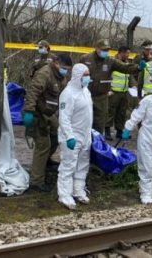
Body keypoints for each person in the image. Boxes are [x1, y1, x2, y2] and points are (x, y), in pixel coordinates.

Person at [23, 53, 73, 192]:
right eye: (64, 67)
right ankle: (36, 181)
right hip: (38, 114)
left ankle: (46, 161)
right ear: (56, 62)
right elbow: (33, 92)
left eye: (67, 69)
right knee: (43, 145)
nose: (65, 71)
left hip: (49, 113)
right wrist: (29, 111)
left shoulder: (60, 76)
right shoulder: (45, 73)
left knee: (57, 135)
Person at [79, 39, 145, 139]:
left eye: (107, 50)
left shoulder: (110, 61)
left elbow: (124, 67)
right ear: (96, 48)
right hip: (86, 95)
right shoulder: (85, 59)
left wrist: (138, 68)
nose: (106, 52)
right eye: (103, 49)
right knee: (84, 122)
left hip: (101, 98)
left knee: (99, 125)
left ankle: (96, 147)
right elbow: (77, 74)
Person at [56, 63, 93, 210]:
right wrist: (69, 136)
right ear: (78, 76)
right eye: (85, 75)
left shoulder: (86, 91)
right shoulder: (68, 93)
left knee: (82, 165)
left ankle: (78, 189)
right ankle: (64, 194)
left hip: (85, 135)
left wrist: (89, 134)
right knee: (68, 165)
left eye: (88, 74)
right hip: (71, 137)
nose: (88, 77)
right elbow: (64, 118)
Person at [109, 46, 134, 140]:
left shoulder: (127, 64)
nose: (128, 55)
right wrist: (108, 90)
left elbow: (130, 77)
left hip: (124, 92)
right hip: (113, 92)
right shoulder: (112, 63)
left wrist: (133, 85)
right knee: (110, 112)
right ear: (120, 53)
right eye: (127, 53)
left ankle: (119, 131)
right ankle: (107, 131)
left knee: (121, 113)